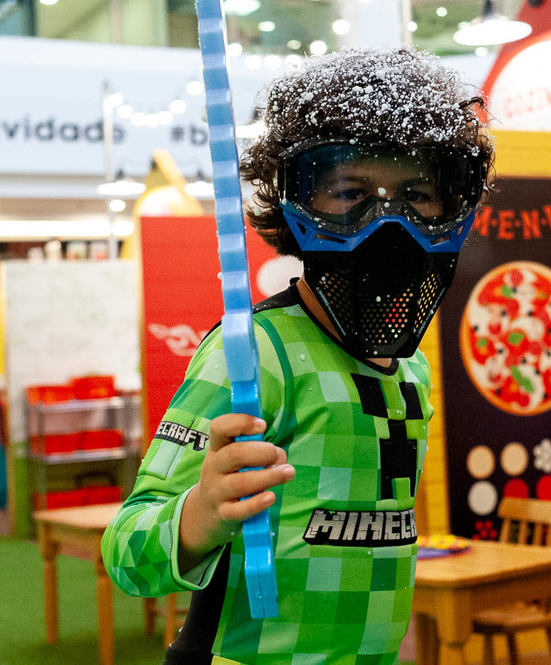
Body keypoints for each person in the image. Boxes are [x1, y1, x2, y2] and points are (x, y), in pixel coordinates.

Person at [102, 46, 493, 663]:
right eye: (348, 191)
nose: (386, 220)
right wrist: (201, 512)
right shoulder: (256, 352)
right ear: (296, 200)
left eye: (417, 193)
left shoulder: (412, 367)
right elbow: (126, 551)